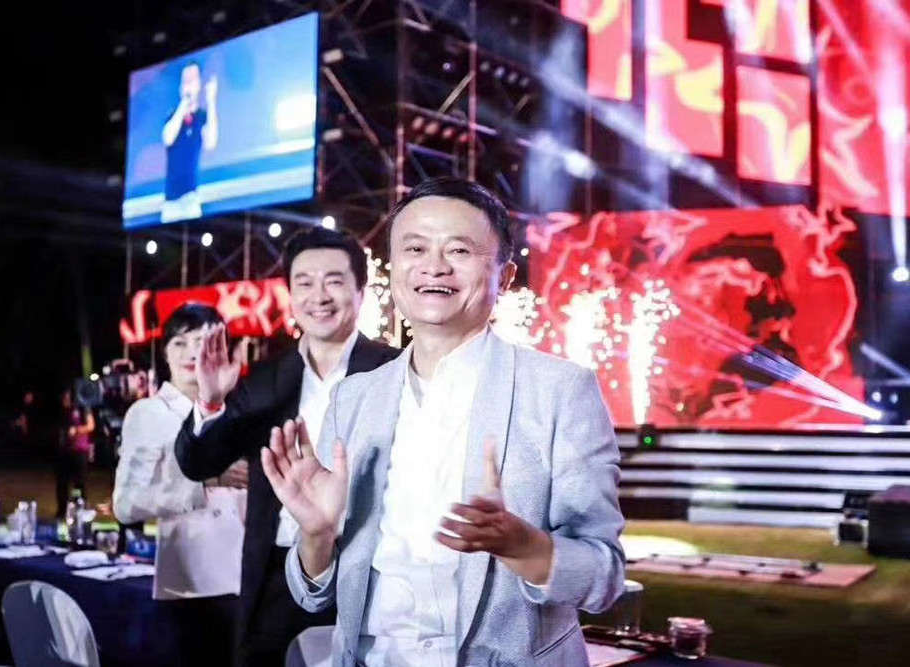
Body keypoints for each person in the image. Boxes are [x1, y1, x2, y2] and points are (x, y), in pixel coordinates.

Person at [261, 178, 626, 666]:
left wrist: (522, 546)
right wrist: (316, 535)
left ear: (505, 276)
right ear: (393, 269)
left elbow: (605, 576)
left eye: (459, 250)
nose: (434, 266)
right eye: (415, 248)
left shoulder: (560, 390)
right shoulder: (354, 397)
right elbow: (312, 594)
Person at [175, 227, 401, 666]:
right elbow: (197, 463)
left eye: (334, 281)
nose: (319, 296)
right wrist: (211, 401)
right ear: (291, 295)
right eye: (305, 283)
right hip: (277, 572)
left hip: (371, 572)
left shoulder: (394, 370)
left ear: (361, 291)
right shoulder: (265, 379)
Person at [113, 304, 249, 667]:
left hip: (250, 578)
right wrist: (204, 483)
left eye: (203, 342)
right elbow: (126, 504)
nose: (192, 353)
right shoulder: (149, 413)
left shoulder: (239, 411)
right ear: (165, 353)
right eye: (180, 343)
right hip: (194, 583)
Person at [161, 61, 218, 223]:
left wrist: (211, 101)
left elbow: (211, 142)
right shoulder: (173, 115)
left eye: (192, 80)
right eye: (185, 80)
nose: (189, 85)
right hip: (170, 201)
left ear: (198, 84)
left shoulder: (201, 116)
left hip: (191, 197)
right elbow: (168, 138)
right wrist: (183, 106)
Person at [55, 388, 95, 519]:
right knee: (62, 482)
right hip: (65, 450)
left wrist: (77, 430)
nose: (65, 400)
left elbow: (91, 426)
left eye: (67, 397)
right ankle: (62, 510)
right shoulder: (61, 412)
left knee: (79, 482)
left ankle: (81, 509)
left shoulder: (83, 408)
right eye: (63, 397)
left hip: (80, 451)